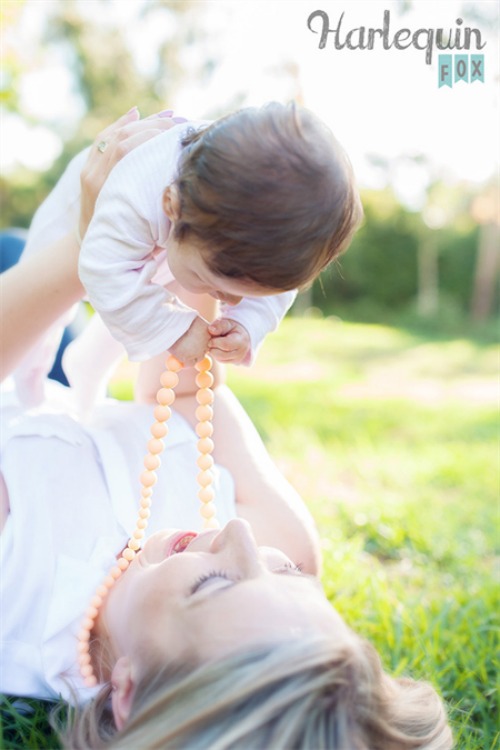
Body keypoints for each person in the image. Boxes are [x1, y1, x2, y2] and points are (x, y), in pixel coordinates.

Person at [0, 113, 452, 750]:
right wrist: (196, 257)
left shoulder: (18, 586)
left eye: (214, 582)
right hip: (93, 349)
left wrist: (86, 245)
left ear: (127, 692)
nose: (242, 537)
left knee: (16, 252)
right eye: (290, 579)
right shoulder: (282, 541)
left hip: (18, 341)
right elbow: (180, 382)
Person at [12, 101, 362, 416]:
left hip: (168, 248)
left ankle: (87, 366)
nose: (230, 299)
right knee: (45, 324)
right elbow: (101, 269)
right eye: (216, 284)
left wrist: (248, 323)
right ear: (171, 206)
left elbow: (273, 289)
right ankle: (27, 389)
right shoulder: (139, 189)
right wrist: (174, 329)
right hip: (75, 229)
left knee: (136, 309)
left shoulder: (241, 221)